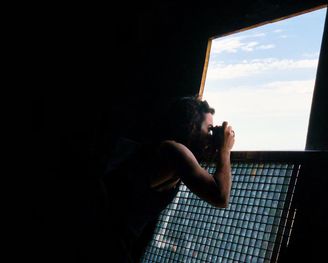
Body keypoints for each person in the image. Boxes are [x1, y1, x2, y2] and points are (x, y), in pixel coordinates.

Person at [96, 95, 235, 262]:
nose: (212, 136)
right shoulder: (172, 149)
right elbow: (220, 196)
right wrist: (225, 149)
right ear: (192, 127)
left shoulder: (171, 155)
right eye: (210, 129)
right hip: (103, 239)